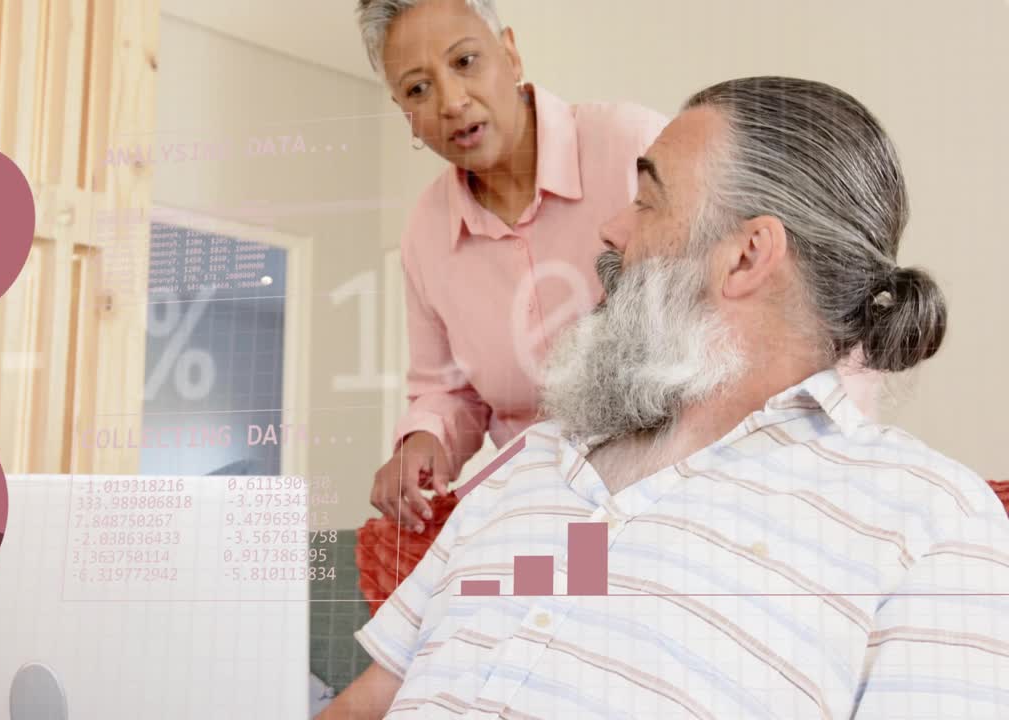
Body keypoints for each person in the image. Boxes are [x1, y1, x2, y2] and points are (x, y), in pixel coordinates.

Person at [318, 76, 1009, 719]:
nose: (612, 229)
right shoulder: (539, 455)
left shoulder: (931, 524)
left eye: (648, 200)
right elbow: (373, 696)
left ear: (745, 256)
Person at [355, 0, 878, 536]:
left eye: (465, 62)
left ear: (510, 54)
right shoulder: (425, 231)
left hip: (681, 495)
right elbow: (447, 390)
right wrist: (425, 439)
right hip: (542, 511)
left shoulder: (633, 144)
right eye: (418, 89)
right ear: (403, 111)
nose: (452, 101)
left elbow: (775, 296)